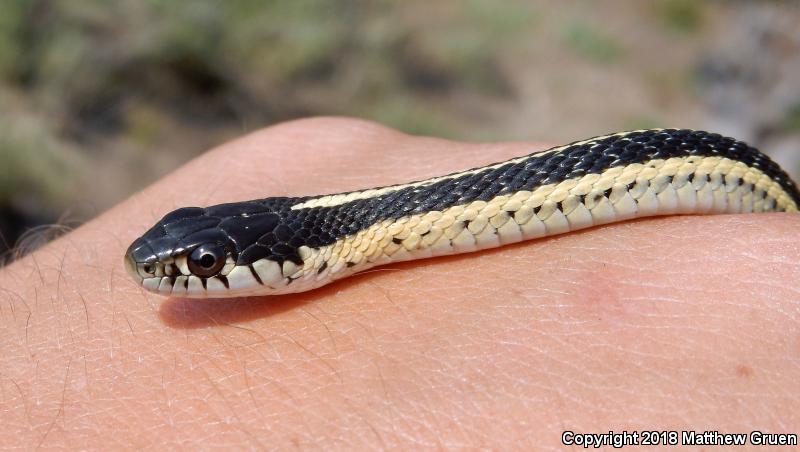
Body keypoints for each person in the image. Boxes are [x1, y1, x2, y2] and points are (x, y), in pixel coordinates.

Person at [1, 117, 797, 449]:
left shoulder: (358, 228)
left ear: (292, 256)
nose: (173, 276)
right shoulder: (345, 230)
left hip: (722, 166)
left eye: (205, 265)